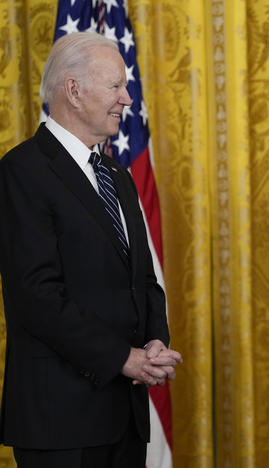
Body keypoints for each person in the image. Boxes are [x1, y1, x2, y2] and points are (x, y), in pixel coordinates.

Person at [0, 32, 182, 467]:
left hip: (125, 417)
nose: (127, 99)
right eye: (116, 86)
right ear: (74, 91)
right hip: (60, 422)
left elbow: (143, 280)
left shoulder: (117, 177)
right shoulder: (22, 171)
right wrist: (123, 358)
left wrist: (155, 343)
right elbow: (35, 297)